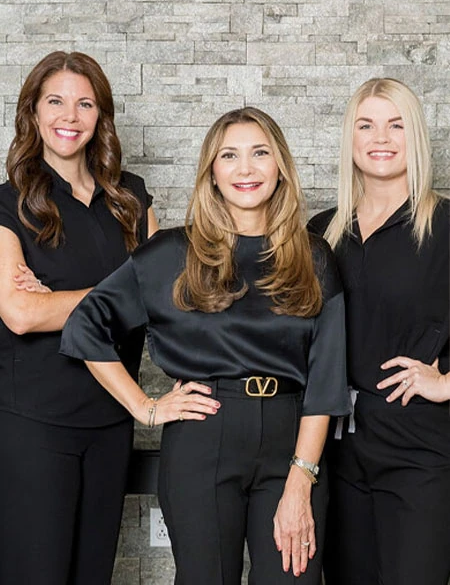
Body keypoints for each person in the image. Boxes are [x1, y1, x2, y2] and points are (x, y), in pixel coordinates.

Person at [60, 106, 350, 584]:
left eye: (260, 153)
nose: (246, 168)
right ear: (212, 172)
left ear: (280, 166)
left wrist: (301, 478)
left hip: (293, 441)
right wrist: (146, 407)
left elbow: (326, 379)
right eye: (229, 155)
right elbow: (86, 324)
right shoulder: (173, 253)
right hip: (204, 438)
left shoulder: (313, 256)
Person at [0, 50, 161, 585]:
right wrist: (122, 292)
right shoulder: (7, 205)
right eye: (55, 101)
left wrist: (62, 299)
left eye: (85, 103)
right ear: (33, 112)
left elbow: (164, 297)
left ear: (101, 116)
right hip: (33, 426)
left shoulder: (131, 198)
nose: (69, 116)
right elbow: (21, 313)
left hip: (112, 419)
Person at [308, 78, 450, 585]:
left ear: (416, 136)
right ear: (350, 137)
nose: (381, 138)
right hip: (337, 454)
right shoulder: (321, 232)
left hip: (420, 451)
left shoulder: (445, 226)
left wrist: (445, 382)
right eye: (366, 125)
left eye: (396, 125)